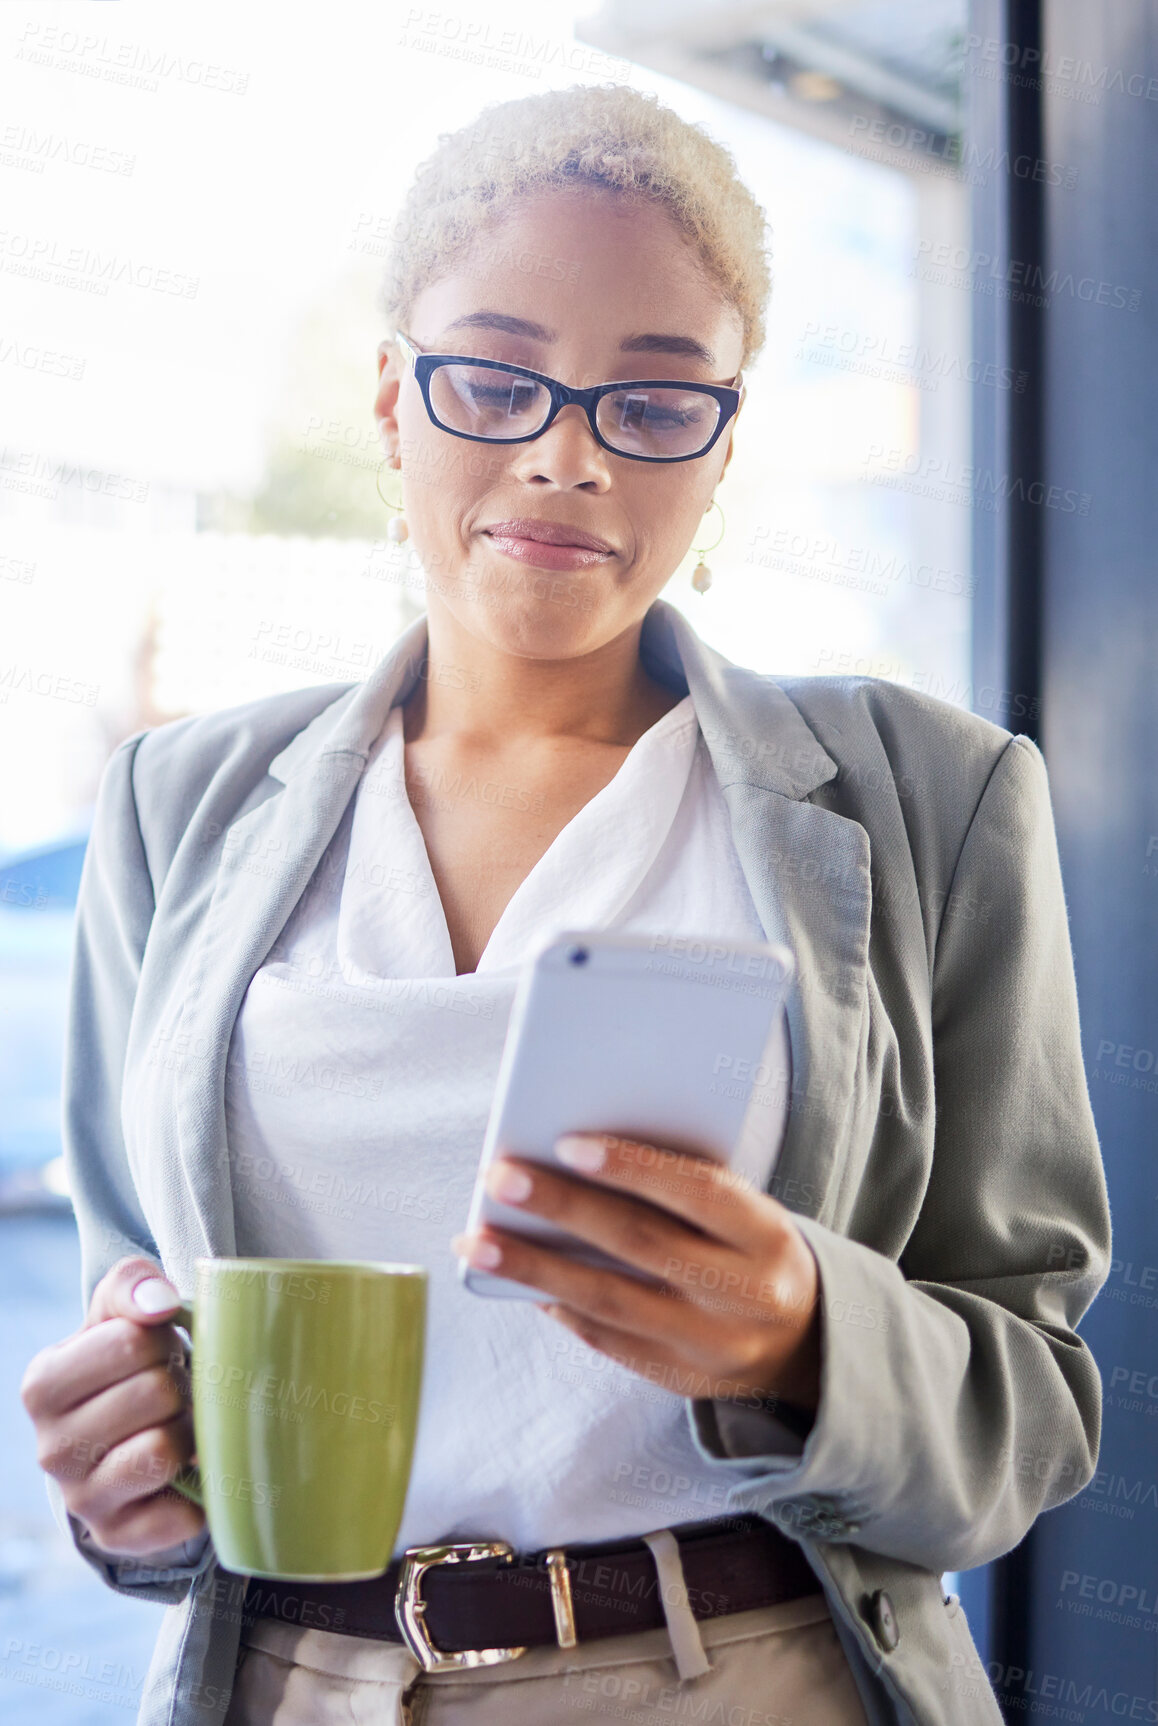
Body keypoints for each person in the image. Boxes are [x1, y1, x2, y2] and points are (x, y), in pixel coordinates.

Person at [21, 82, 1110, 1726]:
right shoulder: (180, 807)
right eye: (495, 376)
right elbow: (141, 1342)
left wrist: (811, 1333)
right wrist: (127, 1490)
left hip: (745, 1678)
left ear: (724, 442)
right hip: (297, 1684)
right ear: (393, 398)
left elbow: (1028, 1414)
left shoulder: (926, 800)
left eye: (655, 400)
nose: (566, 451)